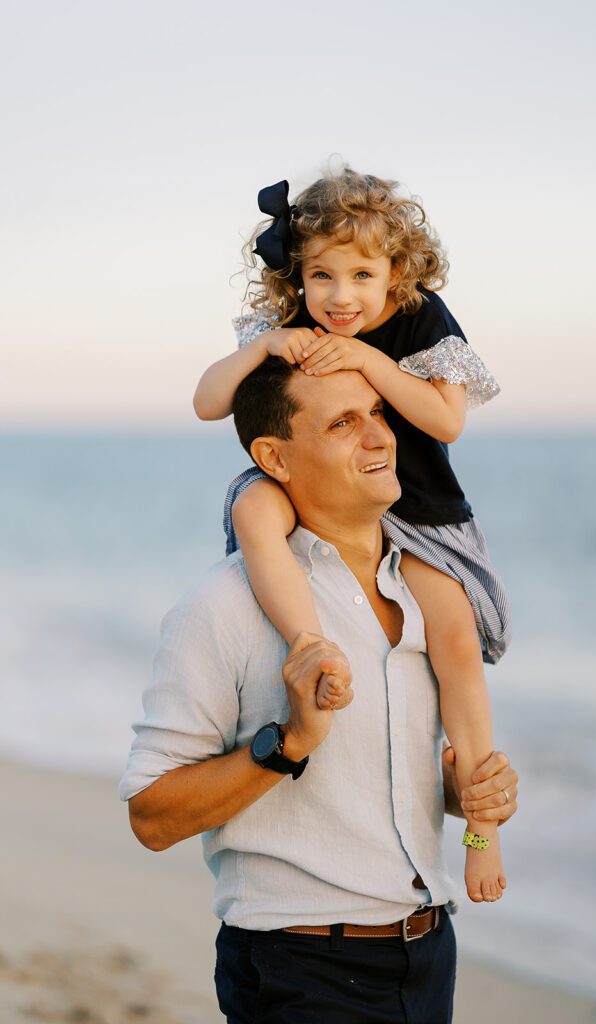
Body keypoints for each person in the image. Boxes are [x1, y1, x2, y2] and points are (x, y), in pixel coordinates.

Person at [121, 360, 519, 1024]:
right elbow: (151, 818)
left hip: (428, 953)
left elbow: (392, 783)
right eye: (342, 422)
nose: (378, 437)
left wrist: (468, 801)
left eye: (378, 414)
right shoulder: (223, 606)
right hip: (299, 967)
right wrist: (291, 743)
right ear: (273, 457)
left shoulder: (427, 596)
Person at [193, 168, 510, 902]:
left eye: (361, 274)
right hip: (317, 492)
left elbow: (446, 421)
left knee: (454, 640)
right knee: (252, 507)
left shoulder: (421, 317)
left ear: (396, 271)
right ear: (295, 276)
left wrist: (370, 361)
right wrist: (262, 350)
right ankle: (310, 642)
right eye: (320, 275)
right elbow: (209, 401)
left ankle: (480, 830)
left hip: (418, 509)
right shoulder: (288, 327)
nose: (340, 296)